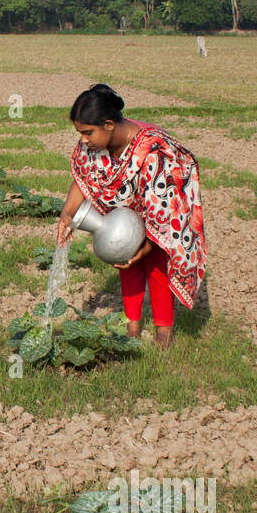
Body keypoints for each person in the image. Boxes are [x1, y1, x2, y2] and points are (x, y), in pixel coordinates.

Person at [56, 84, 206, 348]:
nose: (83, 140)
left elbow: (165, 211)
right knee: (126, 264)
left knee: (158, 267)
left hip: (165, 215)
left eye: (87, 132)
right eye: (79, 133)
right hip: (127, 211)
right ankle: (131, 331)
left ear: (109, 124)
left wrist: (145, 246)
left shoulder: (154, 152)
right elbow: (83, 178)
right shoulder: (94, 146)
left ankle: (164, 337)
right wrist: (67, 215)